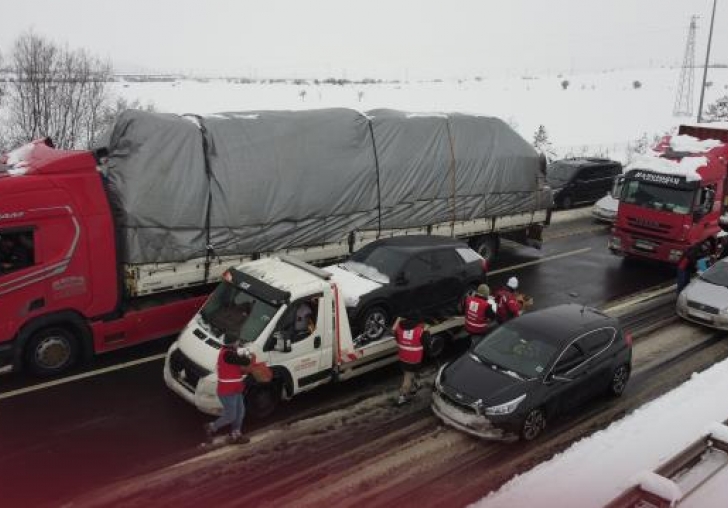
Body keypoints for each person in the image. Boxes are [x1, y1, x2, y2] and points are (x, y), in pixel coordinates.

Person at [204, 336, 254, 444]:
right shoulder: (227, 354)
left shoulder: (230, 353)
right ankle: (212, 427)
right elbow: (245, 361)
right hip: (227, 391)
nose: (238, 343)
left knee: (240, 413)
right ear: (233, 343)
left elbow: (235, 369)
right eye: (237, 341)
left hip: (236, 389)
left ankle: (236, 434)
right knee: (231, 415)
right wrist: (247, 356)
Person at [392, 313, 429, 405]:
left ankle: (414, 386)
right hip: (414, 359)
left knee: (409, 373)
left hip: (403, 357)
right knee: (407, 378)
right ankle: (402, 397)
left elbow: (397, 338)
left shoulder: (399, 328)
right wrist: (427, 332)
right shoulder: (420, 330)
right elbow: (426, 343)